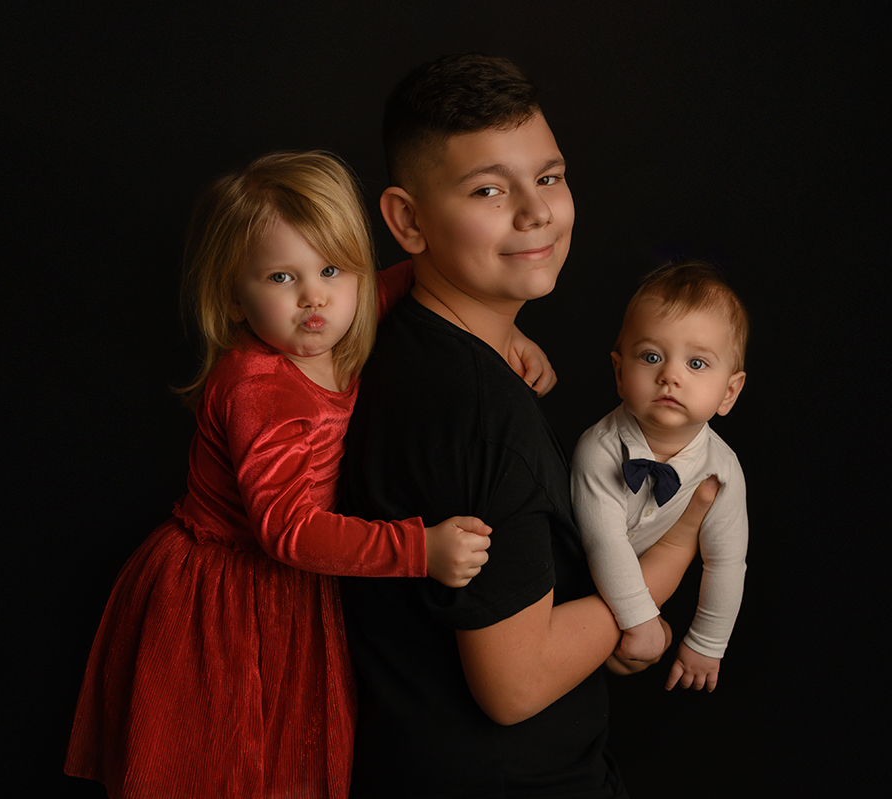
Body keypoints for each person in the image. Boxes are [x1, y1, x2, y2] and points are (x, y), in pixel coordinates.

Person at [64, 150, 555, 798]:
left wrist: (499, 334)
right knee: (219, 767)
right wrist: (419, 548)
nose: (313, 296)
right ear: (233, 297)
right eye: (280, 277)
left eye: (330, 268)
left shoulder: (338, 319)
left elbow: (412, 278)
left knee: (283, 765)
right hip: (225, 594)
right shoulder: (259, 386)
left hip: (289, 591)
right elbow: (288, 529)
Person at [339, 54, 719, 798]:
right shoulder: (482, 413)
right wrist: (659, 571)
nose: (536, 212)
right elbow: (514, 684)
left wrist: (599, 624)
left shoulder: (401, 341)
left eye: (549, 177)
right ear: (407, 220)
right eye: (488, 189)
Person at [572, 261, 748, 692]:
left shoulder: (723, 470)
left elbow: (725, 561)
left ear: (729, 392)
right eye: (651, 357)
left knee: (626, 660)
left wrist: (707, 642)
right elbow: (604, 540)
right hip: (567, 575)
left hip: (631, 591)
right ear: (619, 373)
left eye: (697, 363)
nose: (670, 375)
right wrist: (641, 619)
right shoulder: (599, 448)